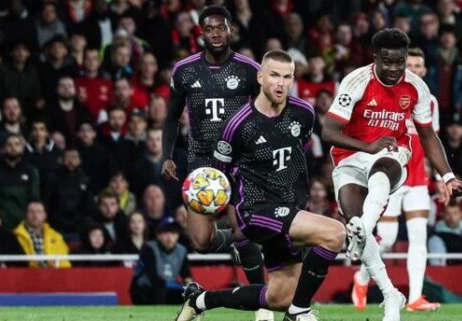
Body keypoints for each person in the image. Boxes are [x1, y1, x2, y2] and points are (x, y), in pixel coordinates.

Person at [175, 49, 345, 321]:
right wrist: (222, 214)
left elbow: (294, 157)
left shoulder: (304, 113)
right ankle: (299, 313)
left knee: (279, 297)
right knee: (335, 233)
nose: (281, 83)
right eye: (274, 75)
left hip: (288, 208)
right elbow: (221, 175)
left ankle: (200, 301)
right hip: (257, 211)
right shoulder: (237, 126)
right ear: (261, 77)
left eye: (287, 77)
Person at [321, 29, 462, 321]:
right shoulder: (356, 81)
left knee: (383, 167)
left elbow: (427, 136)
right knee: (361, 225)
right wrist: (366, 146)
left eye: (399, 61)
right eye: (387, 62)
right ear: (375, 58)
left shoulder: (417, 88)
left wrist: (448, 175)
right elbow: (328, 131)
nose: (394, 68)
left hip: (393, 155)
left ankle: (366, 229)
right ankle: (390, 294)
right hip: (350, 158)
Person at [160, 7, 267, 319]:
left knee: (244, 229)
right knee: (201, 242)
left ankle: (263, 304)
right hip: (201, 164)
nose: (216, 34)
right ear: (201, 33)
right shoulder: (184, 70)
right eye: (210, 29)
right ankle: (233, 241)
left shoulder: (249, 69)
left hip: (238, 160)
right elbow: (170, 117)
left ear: (230, 30)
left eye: (221, 28)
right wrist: (168, 155)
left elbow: (266, 111)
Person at [351, 48, 442, 312]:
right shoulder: (388, 94)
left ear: (424, 70)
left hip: (418, 179)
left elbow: (431, 141)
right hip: (392, 177)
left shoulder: (430, 101)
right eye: (409, 64)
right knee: (387, 237)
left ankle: (415, 298)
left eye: (418, 65)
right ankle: (362, 278)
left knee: (419, 238)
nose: (414, 68)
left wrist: (440, 175)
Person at [131, 217, 193, 305]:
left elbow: (186, 274)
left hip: (167, 289)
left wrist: (189, 286)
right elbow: (153, 278)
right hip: (144, 290)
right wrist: (175, 285)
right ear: (158, 235)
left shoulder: (182, 250)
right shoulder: (149, 248)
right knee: (161, 291)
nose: (169, 237)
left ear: (178, 235)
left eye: (173, 233)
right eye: (165, 233)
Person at [13, 201, 71, 268]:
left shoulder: (56, 237)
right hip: (25, 275)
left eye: (39, 212)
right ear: (26, 214)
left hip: (52, 276)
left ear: (45, 215)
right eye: (31, 211)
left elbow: (64, 264)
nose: (35, 215)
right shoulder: (15, 237)